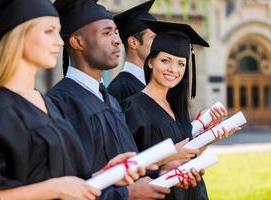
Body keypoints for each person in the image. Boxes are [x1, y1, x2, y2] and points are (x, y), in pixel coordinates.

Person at [0, 0, 139, 199]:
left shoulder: (45, 104)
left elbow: (64, 181)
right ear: (20, 36)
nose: (60, 41)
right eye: (49, 31)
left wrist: (107, 175)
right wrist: (55, 188)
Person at [47, 0, 198, 199]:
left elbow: (123, 171)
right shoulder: (59, 105)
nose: (118, 40)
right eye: (106, 33)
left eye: (116, 33)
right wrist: (127, 194)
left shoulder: (111, 102)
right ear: (77, 42)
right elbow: (65, 189)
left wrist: (162, 172)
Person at [122, 19, 240, 200]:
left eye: (180, 64)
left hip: (191, 192)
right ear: (151, 62)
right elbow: (128, 167)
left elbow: (187, 154)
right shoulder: (133, 107)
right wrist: (168, 156)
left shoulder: (177, 107)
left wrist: (210, 137)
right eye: (165, 61)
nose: (173, 69)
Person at [108, 0, 156, 103]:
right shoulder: (118, 90)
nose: (159, 44)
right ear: (133, 42)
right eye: (153, 39)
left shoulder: (153, 83)